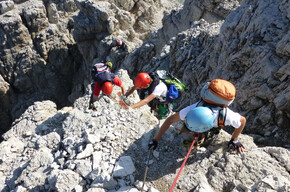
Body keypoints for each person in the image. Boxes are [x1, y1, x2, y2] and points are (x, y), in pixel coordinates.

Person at [148, 79, 246, 154]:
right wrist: (234, 139)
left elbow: (170, 120)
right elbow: (242, 121)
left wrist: (155, 140)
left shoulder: (192, 109)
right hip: (212, 128)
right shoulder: (227, 116)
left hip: (204, 129)